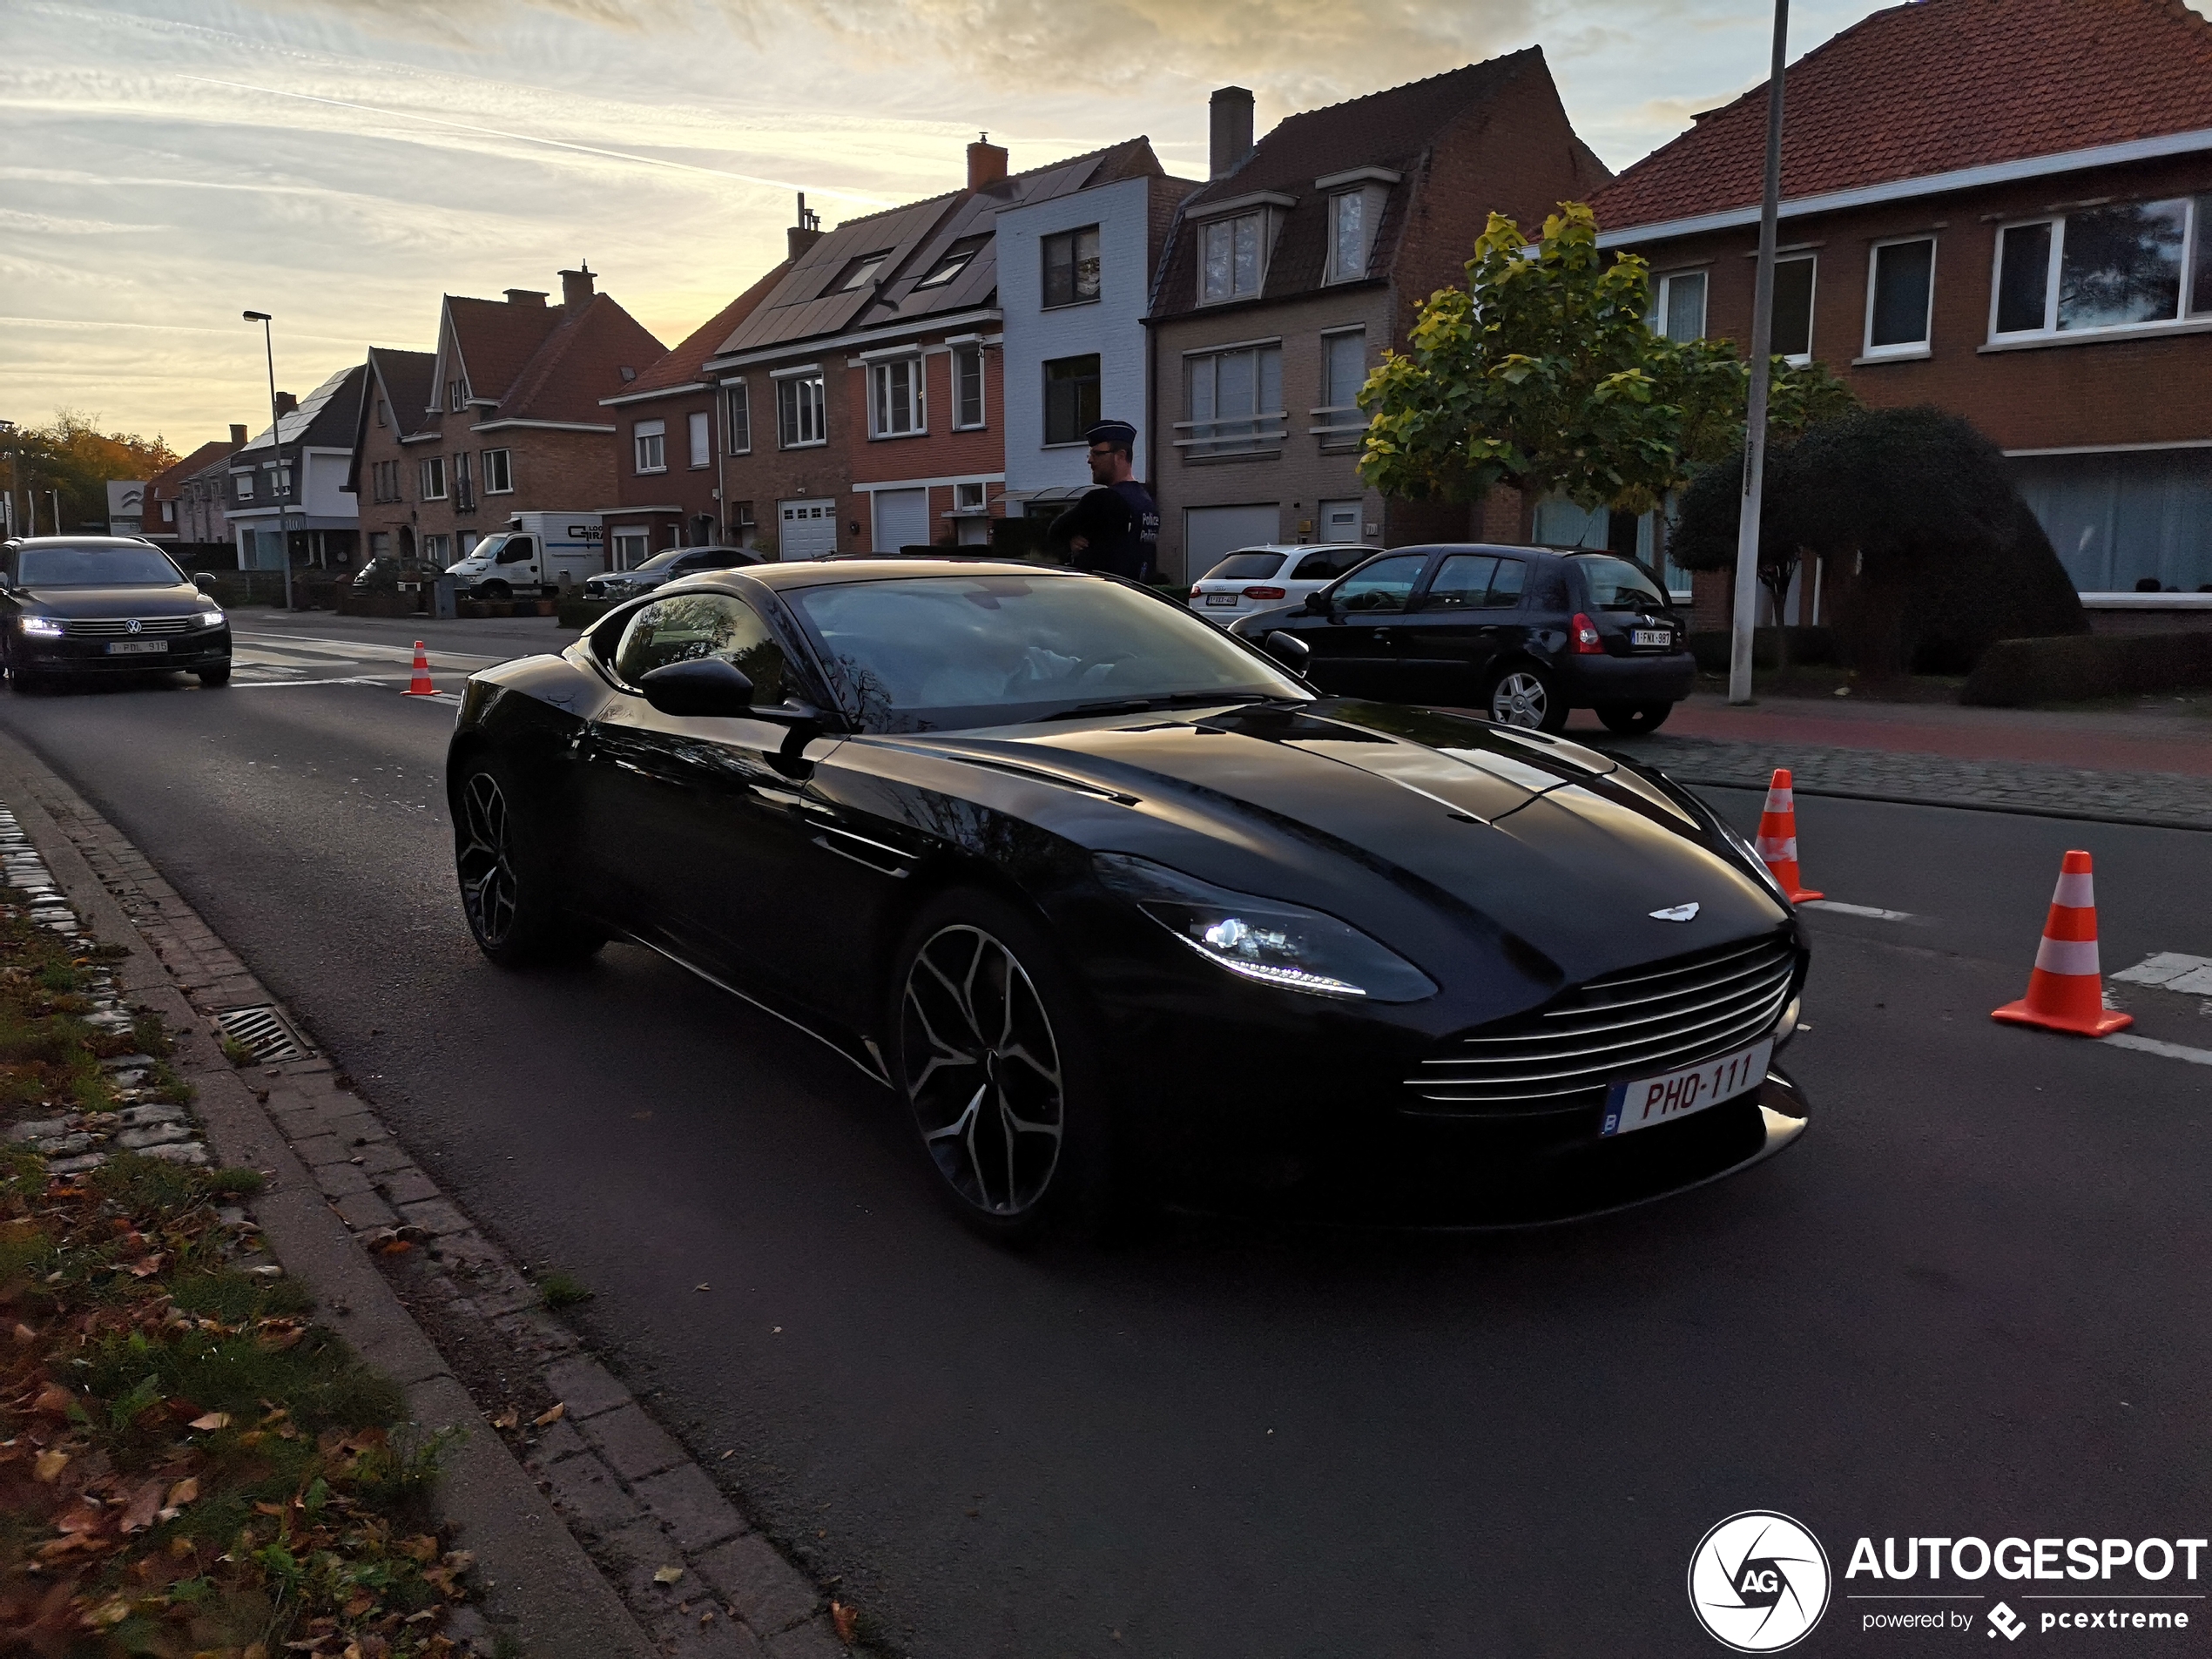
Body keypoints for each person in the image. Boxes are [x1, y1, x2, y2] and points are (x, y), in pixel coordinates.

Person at [1047, 420, 1158, 581]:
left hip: (1102, 596)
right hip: (1136, 596)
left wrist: (1070, 543)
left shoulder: (1103, 499)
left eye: (1097, 453)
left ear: (1120, 456)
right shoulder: (1147, 501)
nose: (1090, 460)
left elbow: (1055, 531)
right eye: (1090, 454)